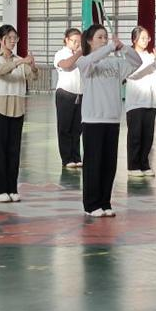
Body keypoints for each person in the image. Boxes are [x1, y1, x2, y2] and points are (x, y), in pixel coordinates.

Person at [62, 25, 142, 217]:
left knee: (109, 164)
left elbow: (137, 62)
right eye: (100, 37)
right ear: (89, 41)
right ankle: (91, 205)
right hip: (93, 120)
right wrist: (109, 48)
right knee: (94, 163)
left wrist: (123, 47)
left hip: (112, 119)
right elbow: (88, 60)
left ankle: (105, 202)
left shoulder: (115, 63)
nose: (104, 40)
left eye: (106, 37)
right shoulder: (85, 61)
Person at [0, 25, 36, 203]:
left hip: (17, 108)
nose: (13, 41)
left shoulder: (20, 60)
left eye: (15, 38)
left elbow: (33, 77)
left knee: (14, 151)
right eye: (10, 38)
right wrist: (19, 63)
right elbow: (0, 71)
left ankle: (12, 188)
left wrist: (32, 66)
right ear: (1, 39)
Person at [124, 26, 156, 177]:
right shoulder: (130, 56)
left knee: (148, 136)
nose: (146, 40)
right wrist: (151, 61)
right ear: (134, 40)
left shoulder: (150, 55)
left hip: (151, 101)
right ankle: (133, 166)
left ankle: (144, 164)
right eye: (142, 38)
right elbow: (133, 73)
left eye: (147, 38)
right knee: (135, 135)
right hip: (136, 102)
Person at [54, 28, 83, 169]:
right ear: (66, 40)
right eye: (74, 41)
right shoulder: (61, 53)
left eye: (79, 41)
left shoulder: (81, 55)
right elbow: (66, 65)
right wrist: (78, 54)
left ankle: (76, 156)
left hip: (80, 94)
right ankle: (66, 158)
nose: (77, 44)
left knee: (77, 128)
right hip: (65, 93)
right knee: (65, 127)